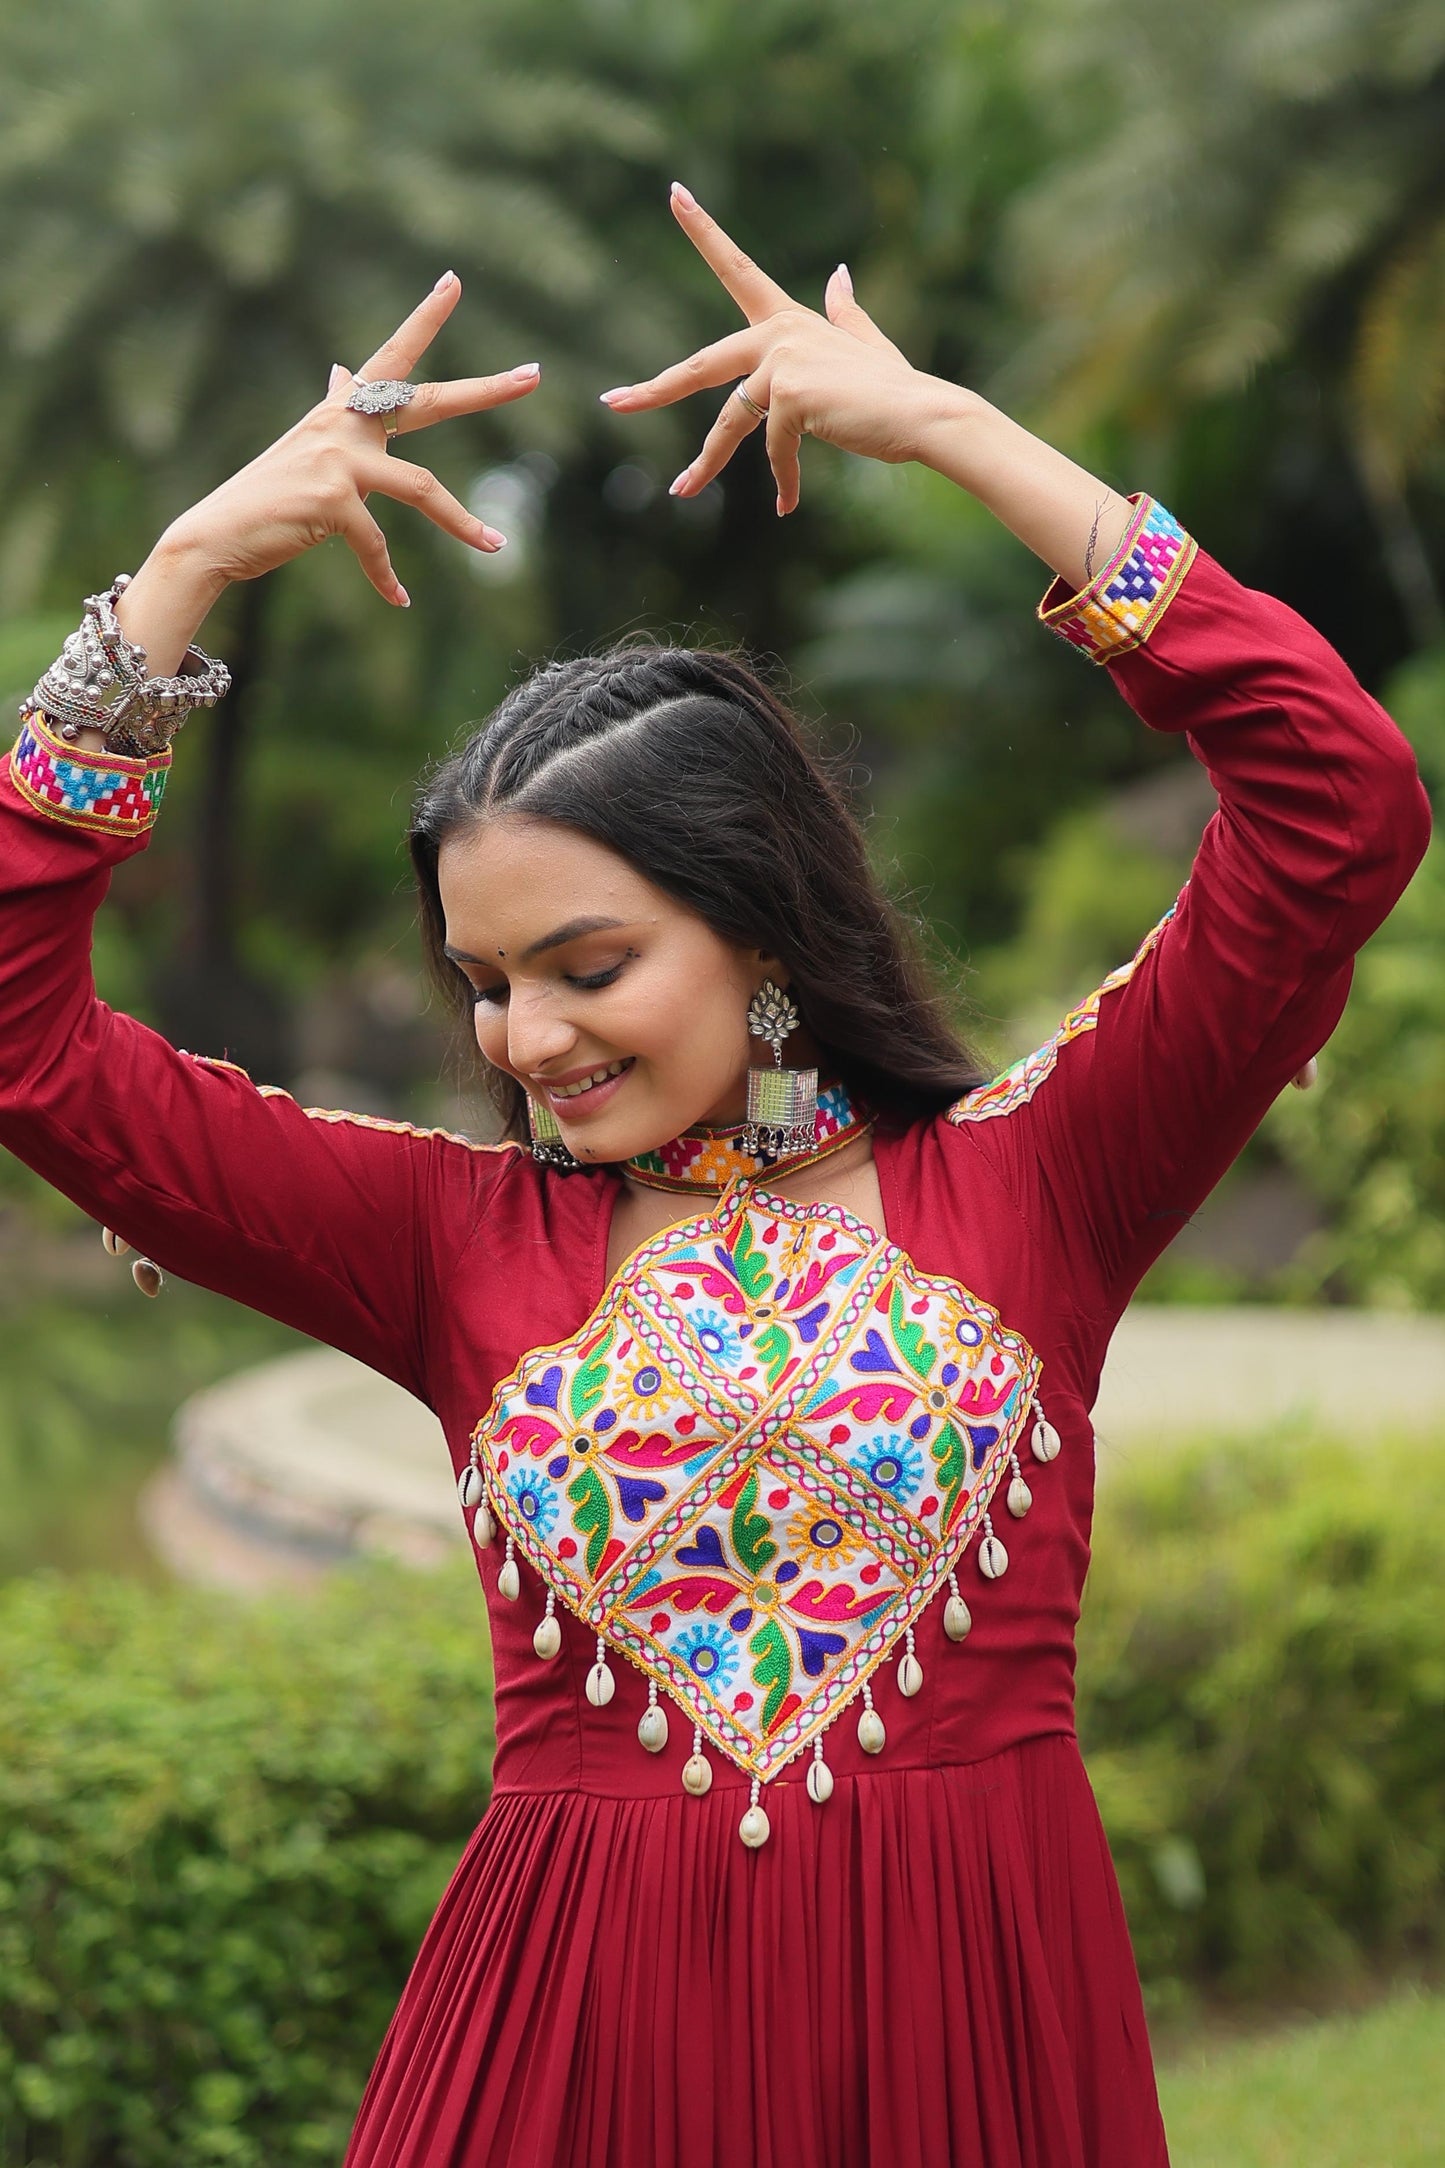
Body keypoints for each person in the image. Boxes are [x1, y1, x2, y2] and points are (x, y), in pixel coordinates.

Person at [0, 182, 1429, 2168]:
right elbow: (25, 1039)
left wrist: (952, 433)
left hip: (964, 2051)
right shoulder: (444, 1240)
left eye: (589, 969)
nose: (525, 1042)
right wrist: (167, 584)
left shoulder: (1042, 1178)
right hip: (562, 2063)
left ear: (760, 926)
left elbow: (1339, 805)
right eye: (486, 987)